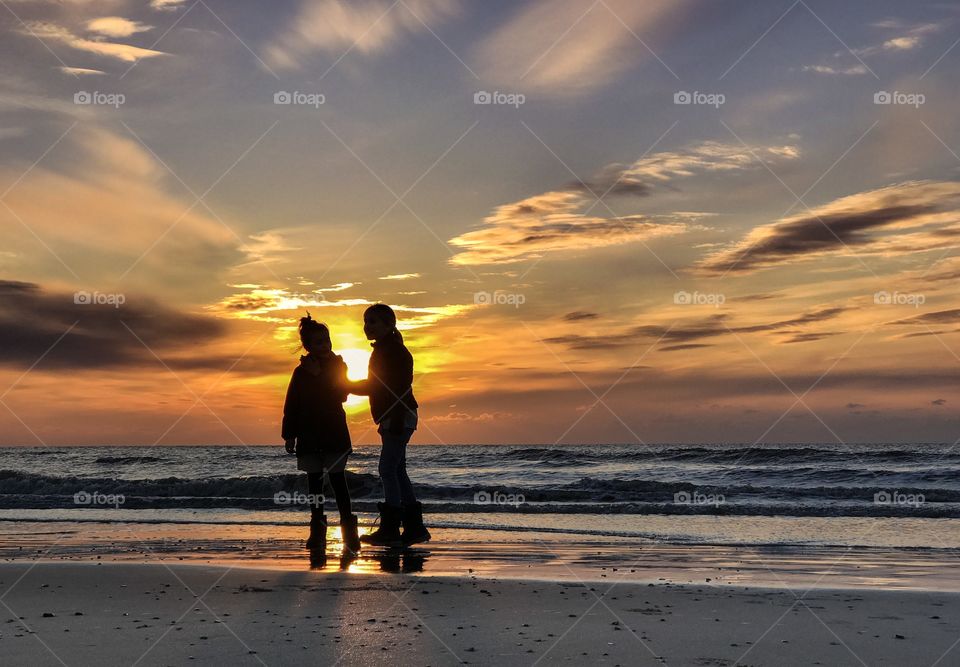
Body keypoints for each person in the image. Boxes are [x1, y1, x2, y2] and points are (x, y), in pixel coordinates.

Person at [349, 303, 430, 548]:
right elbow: (377, 385)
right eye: (366, 321)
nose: (367, 326)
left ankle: (391, 528)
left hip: (399, 415)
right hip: (394, 415)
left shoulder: (394, 351)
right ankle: (414, 529)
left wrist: (343, 386)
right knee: (397, 469)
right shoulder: (384, 350)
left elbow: (397, 387)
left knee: (387, 468)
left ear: (389, 324)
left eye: (373, 321)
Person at [282, 314, 361, 556]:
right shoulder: (299, 372)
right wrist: (289, 435)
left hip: (334, 432)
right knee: (314, 485)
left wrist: (320, 375)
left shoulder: (339, 365)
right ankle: (317, 530)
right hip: (308, 435)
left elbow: (342, 395)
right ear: (308, 347)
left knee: (339, 483)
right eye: (318, 342)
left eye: (327, 340)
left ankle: (349, 530)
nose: (325, 345)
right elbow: (292, 403)